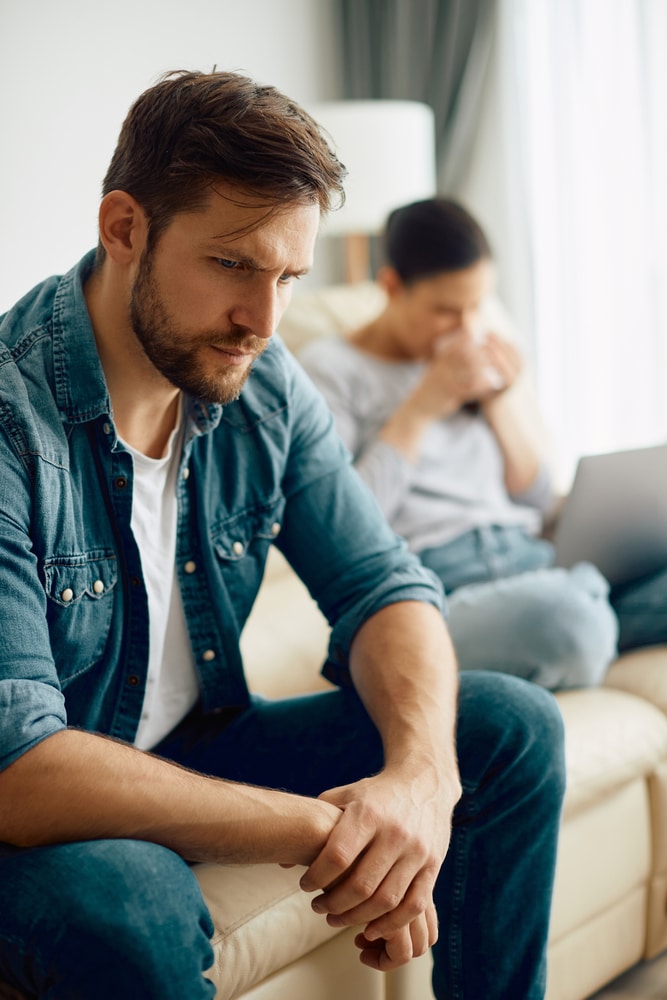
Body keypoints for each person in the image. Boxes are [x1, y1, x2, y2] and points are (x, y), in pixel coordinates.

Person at [0, 72, 565, 1000]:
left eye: (289, 278)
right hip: (46, 796)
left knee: (509, 727)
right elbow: (21, 766)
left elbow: (385, 585)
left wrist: (420, 784)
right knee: (128, 896)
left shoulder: (259, 380)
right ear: (124, 228)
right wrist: (331, 831)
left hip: (198, 739)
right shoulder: (13, 419)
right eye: (232, 265)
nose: (263, 322)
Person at [300, 196, 635, 691]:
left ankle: (585, 607)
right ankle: (588, 607)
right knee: (571, 621)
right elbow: (348, 527)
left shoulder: (478, 352)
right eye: (447, 311)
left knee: (584, 610)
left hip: (527, 559)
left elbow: (539, 500)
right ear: (391, 287)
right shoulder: (330, 369)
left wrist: (499, 401)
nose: (469, 329)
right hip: (439, 586)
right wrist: (425, 403)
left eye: (478, 306)